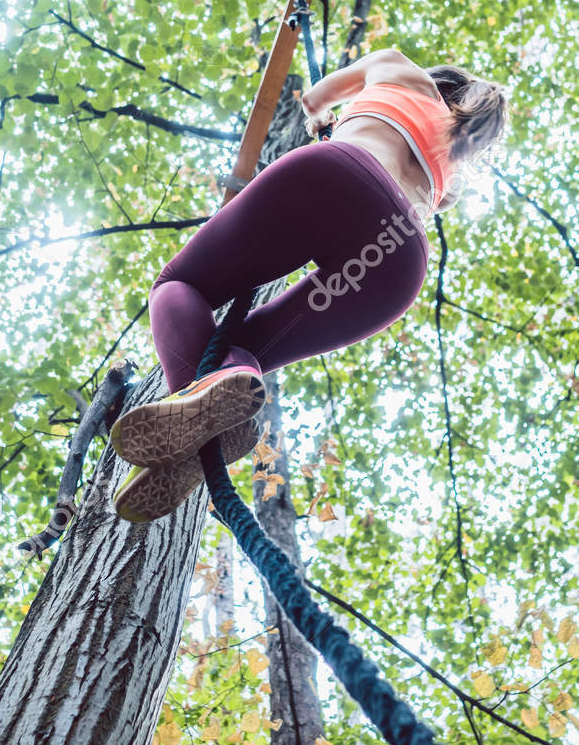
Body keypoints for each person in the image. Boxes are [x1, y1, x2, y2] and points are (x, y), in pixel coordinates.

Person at [109, 48, 508, 522]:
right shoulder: (454, 167)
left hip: (334, 173)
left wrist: (326, 120)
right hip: (398, 255)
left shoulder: (400, 68)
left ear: (437, 80)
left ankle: (192, 403)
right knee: (247, 354)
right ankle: (203, 420)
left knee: (179, 284)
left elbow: (315, 98)